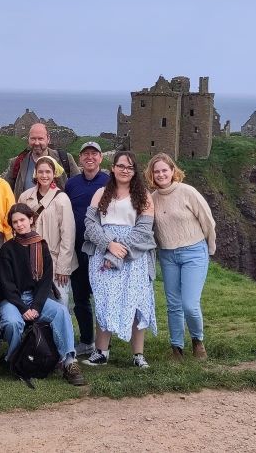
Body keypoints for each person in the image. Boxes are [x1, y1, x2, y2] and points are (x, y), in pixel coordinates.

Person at [82, 151, 157, 368]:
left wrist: (119, 252)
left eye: (130, 167)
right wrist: (108, 246)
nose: (125, 170)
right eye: (121, 166)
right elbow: (91, 224)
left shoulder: (143, 196)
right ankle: (101, 352)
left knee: (136, 300)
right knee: (104, 300)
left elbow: (144, 229)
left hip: (133, 254)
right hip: (102, 250)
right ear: (113, 168)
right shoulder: (100, 193)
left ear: (134, 172)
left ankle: (138, 355)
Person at [0, 203, 86, 386]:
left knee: (61, 312)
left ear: (31, 219)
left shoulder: (41, 246)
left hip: (37, 298)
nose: (19, 224)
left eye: (22, 220)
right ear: (12, 225)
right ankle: (17, 360)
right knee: (13, 322)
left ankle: (69, 362)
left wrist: (36, 307)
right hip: (13, 300)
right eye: (15, 222)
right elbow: (6, 285)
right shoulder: (7, 249)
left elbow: (45, 282)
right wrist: (23, 308)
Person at [144, 152, 216, 361]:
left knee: (189, 304)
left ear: (173, 171)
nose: (161, 174)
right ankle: (176, 348)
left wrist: (209, 248)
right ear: (151, 174)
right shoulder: (153, 199)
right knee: (173, 304)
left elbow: (207, 220)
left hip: (194, 251)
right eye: (156, 171)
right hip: (167, 254)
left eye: (164, 170)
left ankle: (197, 341)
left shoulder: (187, 192)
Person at [64, 141, 109, 357]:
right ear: (80, 159)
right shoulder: (72, 184)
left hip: (100, 249)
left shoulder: (109, 182)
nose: (89, 158)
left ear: (100, 158)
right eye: (85, 154)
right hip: (77, 247)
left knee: (102, 296)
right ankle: (87, 341)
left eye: (94, 154)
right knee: (80, 298)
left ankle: (104, 343)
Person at [17, 156, 78, 308]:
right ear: (35, 173)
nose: (44, 175)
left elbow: (68, 235)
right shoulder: (25, 197)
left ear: (54, 174)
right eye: (41, 172)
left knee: (60, 302)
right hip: (30, 259)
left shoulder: (62, 199)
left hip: (55, 259)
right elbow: (17, 228)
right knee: (34, 302)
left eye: (48, 172)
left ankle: (61, 332)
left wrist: (63, 267)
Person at [3, 123, 80, 199]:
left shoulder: (65, 159)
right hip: (25, 210)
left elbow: (79, 187)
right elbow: (3, 190)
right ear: (28, 139)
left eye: (40, 139)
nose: (36, 143)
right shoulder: (17, 162)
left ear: (48, 139)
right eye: (33, 139)